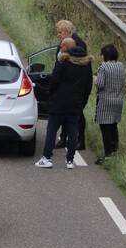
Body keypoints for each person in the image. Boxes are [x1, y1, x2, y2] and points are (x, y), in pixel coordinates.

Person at [35, 38, 93, 170]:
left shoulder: (62, 63)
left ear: (67, 48)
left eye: (62, 46)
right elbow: (88, 87)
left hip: (59, 103)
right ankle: (70, 160)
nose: (60, 48)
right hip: (75, 104)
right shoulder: (86, 66)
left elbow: (54, 81)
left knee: (52, 130)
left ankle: (47, 158)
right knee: (73, 132)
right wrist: (82, 102)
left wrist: (51, 95)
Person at [54, 20, 89, 149]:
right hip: (66, 83)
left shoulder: (79, 44)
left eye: (59, 32)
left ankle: (80, 139)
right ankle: (64, 137)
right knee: (65, 112)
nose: (58, 35)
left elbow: (79, 64)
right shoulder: (65, 41)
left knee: (78, 113)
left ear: (66, 31)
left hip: (76, 85)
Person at [94, 44, 126, 164]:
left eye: (102, 54)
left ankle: (107, 154)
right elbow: (124, 81)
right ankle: (114, 150)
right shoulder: (121, 65)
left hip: (105, 101)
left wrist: (95, 79)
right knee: (113, 125)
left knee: (105, 127)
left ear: (105, 55)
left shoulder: (103, 66)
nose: (101, 57)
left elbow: (100, 84)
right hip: (118, 99)